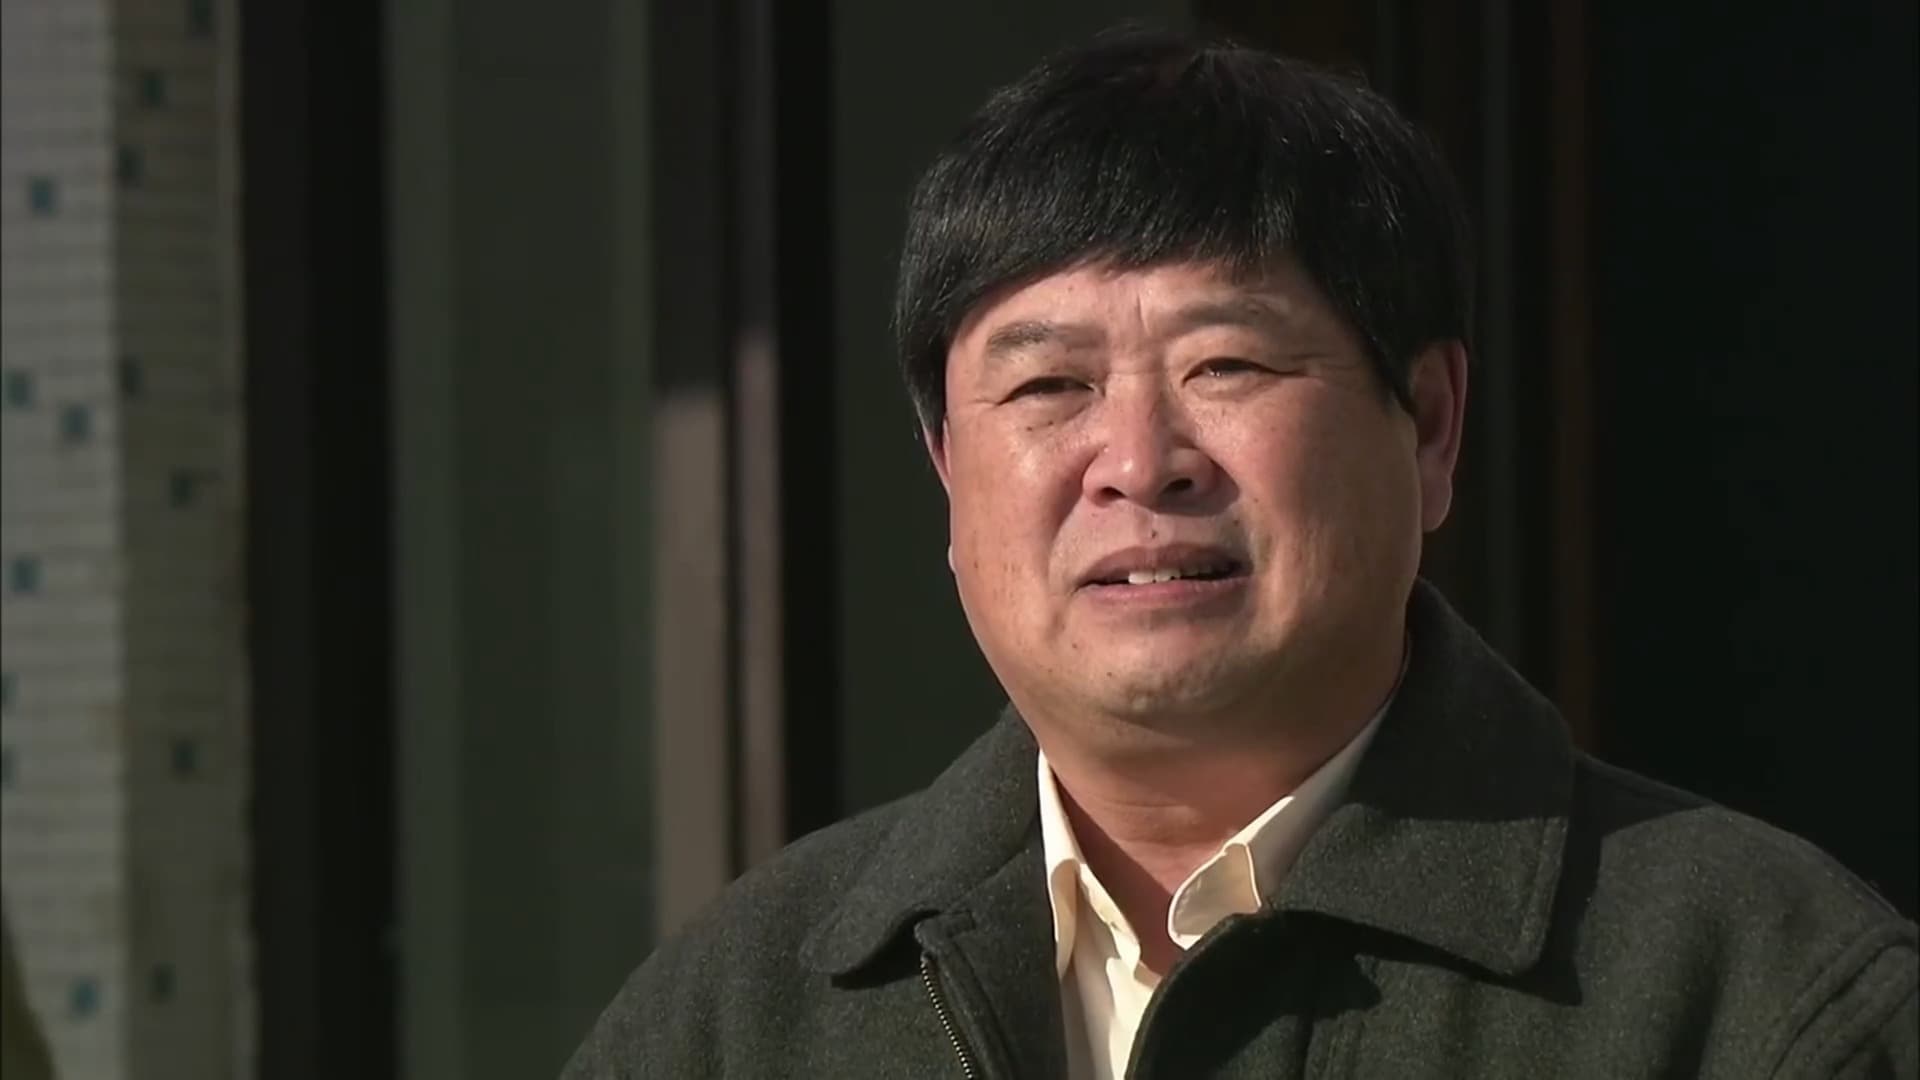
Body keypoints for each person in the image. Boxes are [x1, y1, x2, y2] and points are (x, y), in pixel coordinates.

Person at [563, 25, 1918, 1079]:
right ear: (948, 476)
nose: (1139, 460)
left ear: (1430, 424)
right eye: (1048, 387)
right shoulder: (741, 1013)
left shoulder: (1757, 992)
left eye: (1228, 364)